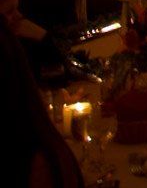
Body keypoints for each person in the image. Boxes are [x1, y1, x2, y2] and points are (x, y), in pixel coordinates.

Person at [0, 21, 84, 188]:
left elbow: (59, 66)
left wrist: (45, 38)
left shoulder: (36, 162)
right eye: (9, 12)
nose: (19, 18)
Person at [0, 0, 65, 81]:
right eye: (9, 11)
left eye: (17, 8)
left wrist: (44, 37)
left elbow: (57, 74)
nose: (19, 16)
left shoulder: (18, 40)